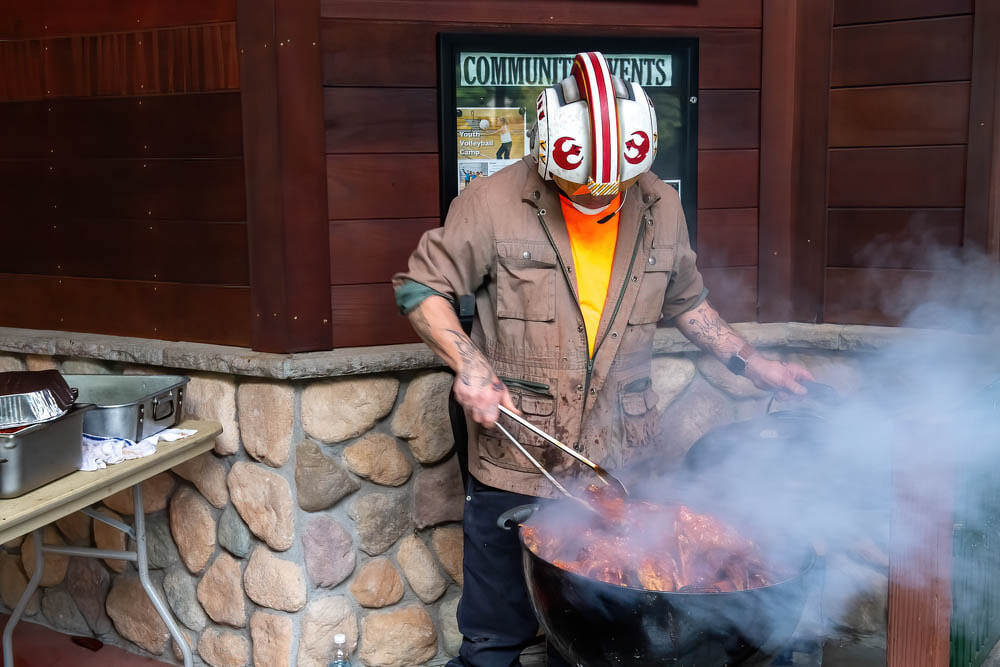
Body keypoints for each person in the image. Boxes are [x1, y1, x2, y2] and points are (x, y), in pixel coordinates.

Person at [393, 51, 814, 667]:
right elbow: (420, 288)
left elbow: (689, 303)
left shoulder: (661, 207)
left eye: (614, 185)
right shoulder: (487, 203)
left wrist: (757, 365)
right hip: (519, 453)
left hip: (618, 456)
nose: (599, 197)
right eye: (582, 185)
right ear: (545, 150)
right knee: (493, 636)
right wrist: (470, 365)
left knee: (604, 633)